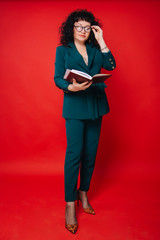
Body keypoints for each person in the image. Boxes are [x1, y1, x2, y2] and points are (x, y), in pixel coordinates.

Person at [54, 9, 116, 234]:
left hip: (96, 106)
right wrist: (71, 86)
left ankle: (83, 192)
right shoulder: (63, 50)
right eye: (78, 26)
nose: (82, 30)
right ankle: (70, 203)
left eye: (87, 27)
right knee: (74, 155)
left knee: (90, 154)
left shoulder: (96, 48)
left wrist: (101, 41)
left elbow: (111, 66)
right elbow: (57, 78)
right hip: (74, 107)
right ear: (72, 28)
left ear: (92, 30)